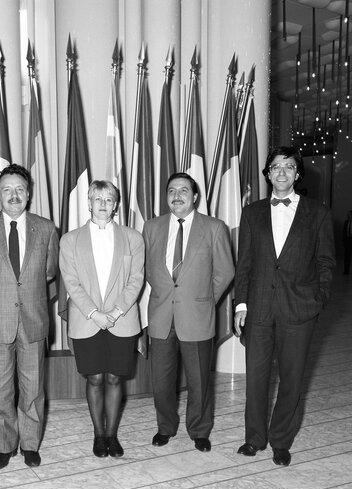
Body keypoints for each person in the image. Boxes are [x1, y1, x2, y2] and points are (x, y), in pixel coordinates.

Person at [234, 146, 335, 467]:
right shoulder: (252, 213)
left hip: (299, 311)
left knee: (291, 380)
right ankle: (254, 438)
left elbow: (325, 263)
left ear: (297, 174)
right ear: (267, 174)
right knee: (257, 379)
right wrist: (240, 305)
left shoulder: (317, 213)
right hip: (259, 310)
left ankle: (281, 440)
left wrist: (316, 301)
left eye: (289, 167)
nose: (281, 172)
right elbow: (245, 265)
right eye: (275, 167)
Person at [0, 164, 58, 469]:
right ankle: (5, 445)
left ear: (29, 193)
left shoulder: (46, 228)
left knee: (33, 390)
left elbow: (51, 274)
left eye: (20, 188)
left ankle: (30, 445)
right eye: (6, 189)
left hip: (33, 321)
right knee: (0, 390)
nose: (14, 195)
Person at [143, 172, 234, 453]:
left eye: (184, 190)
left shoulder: (214, 227)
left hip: (197, 318)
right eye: (171, 190)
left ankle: (199, 430)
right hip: (161, 317)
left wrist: (204, 300)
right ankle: (165, 427)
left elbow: (225, 271)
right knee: (161, 382)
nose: (177, 195)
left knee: (199, 382)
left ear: (195, 196)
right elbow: (147, 269)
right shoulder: (152, 227)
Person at [59, 180, 144, 458]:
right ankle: (98, 435)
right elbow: (71, 282)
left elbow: (136, 280)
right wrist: (95, 313)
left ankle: (113, 435)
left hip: (122, 319)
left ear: (116, 204)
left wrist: (116, 312)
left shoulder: (133, 237)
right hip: (87, 320)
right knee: (95, 378)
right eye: (98, 199)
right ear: (89, 203)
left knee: (115, 378)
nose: (103, 204)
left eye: (109, 199)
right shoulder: (70, 240)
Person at [343, 210, 352, 275]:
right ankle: (346, 271)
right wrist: (343, 242)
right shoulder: (346, 222)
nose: (348, 216)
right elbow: (343, 233)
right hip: (347, 242)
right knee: (347, 257)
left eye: (349, 215)